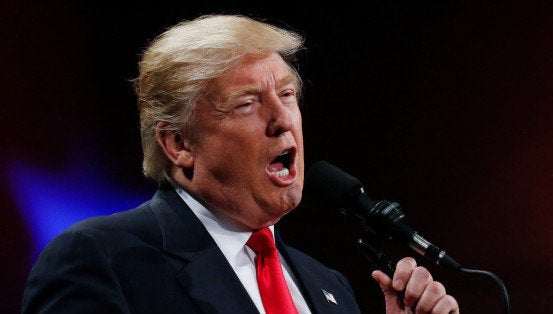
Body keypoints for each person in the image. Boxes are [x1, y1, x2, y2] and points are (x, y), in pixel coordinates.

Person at [21, 14, 460, 314]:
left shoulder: (330, 286)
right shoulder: (102, 259)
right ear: (178, 144)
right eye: (247, 103)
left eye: (287, 95)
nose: (282, 119)